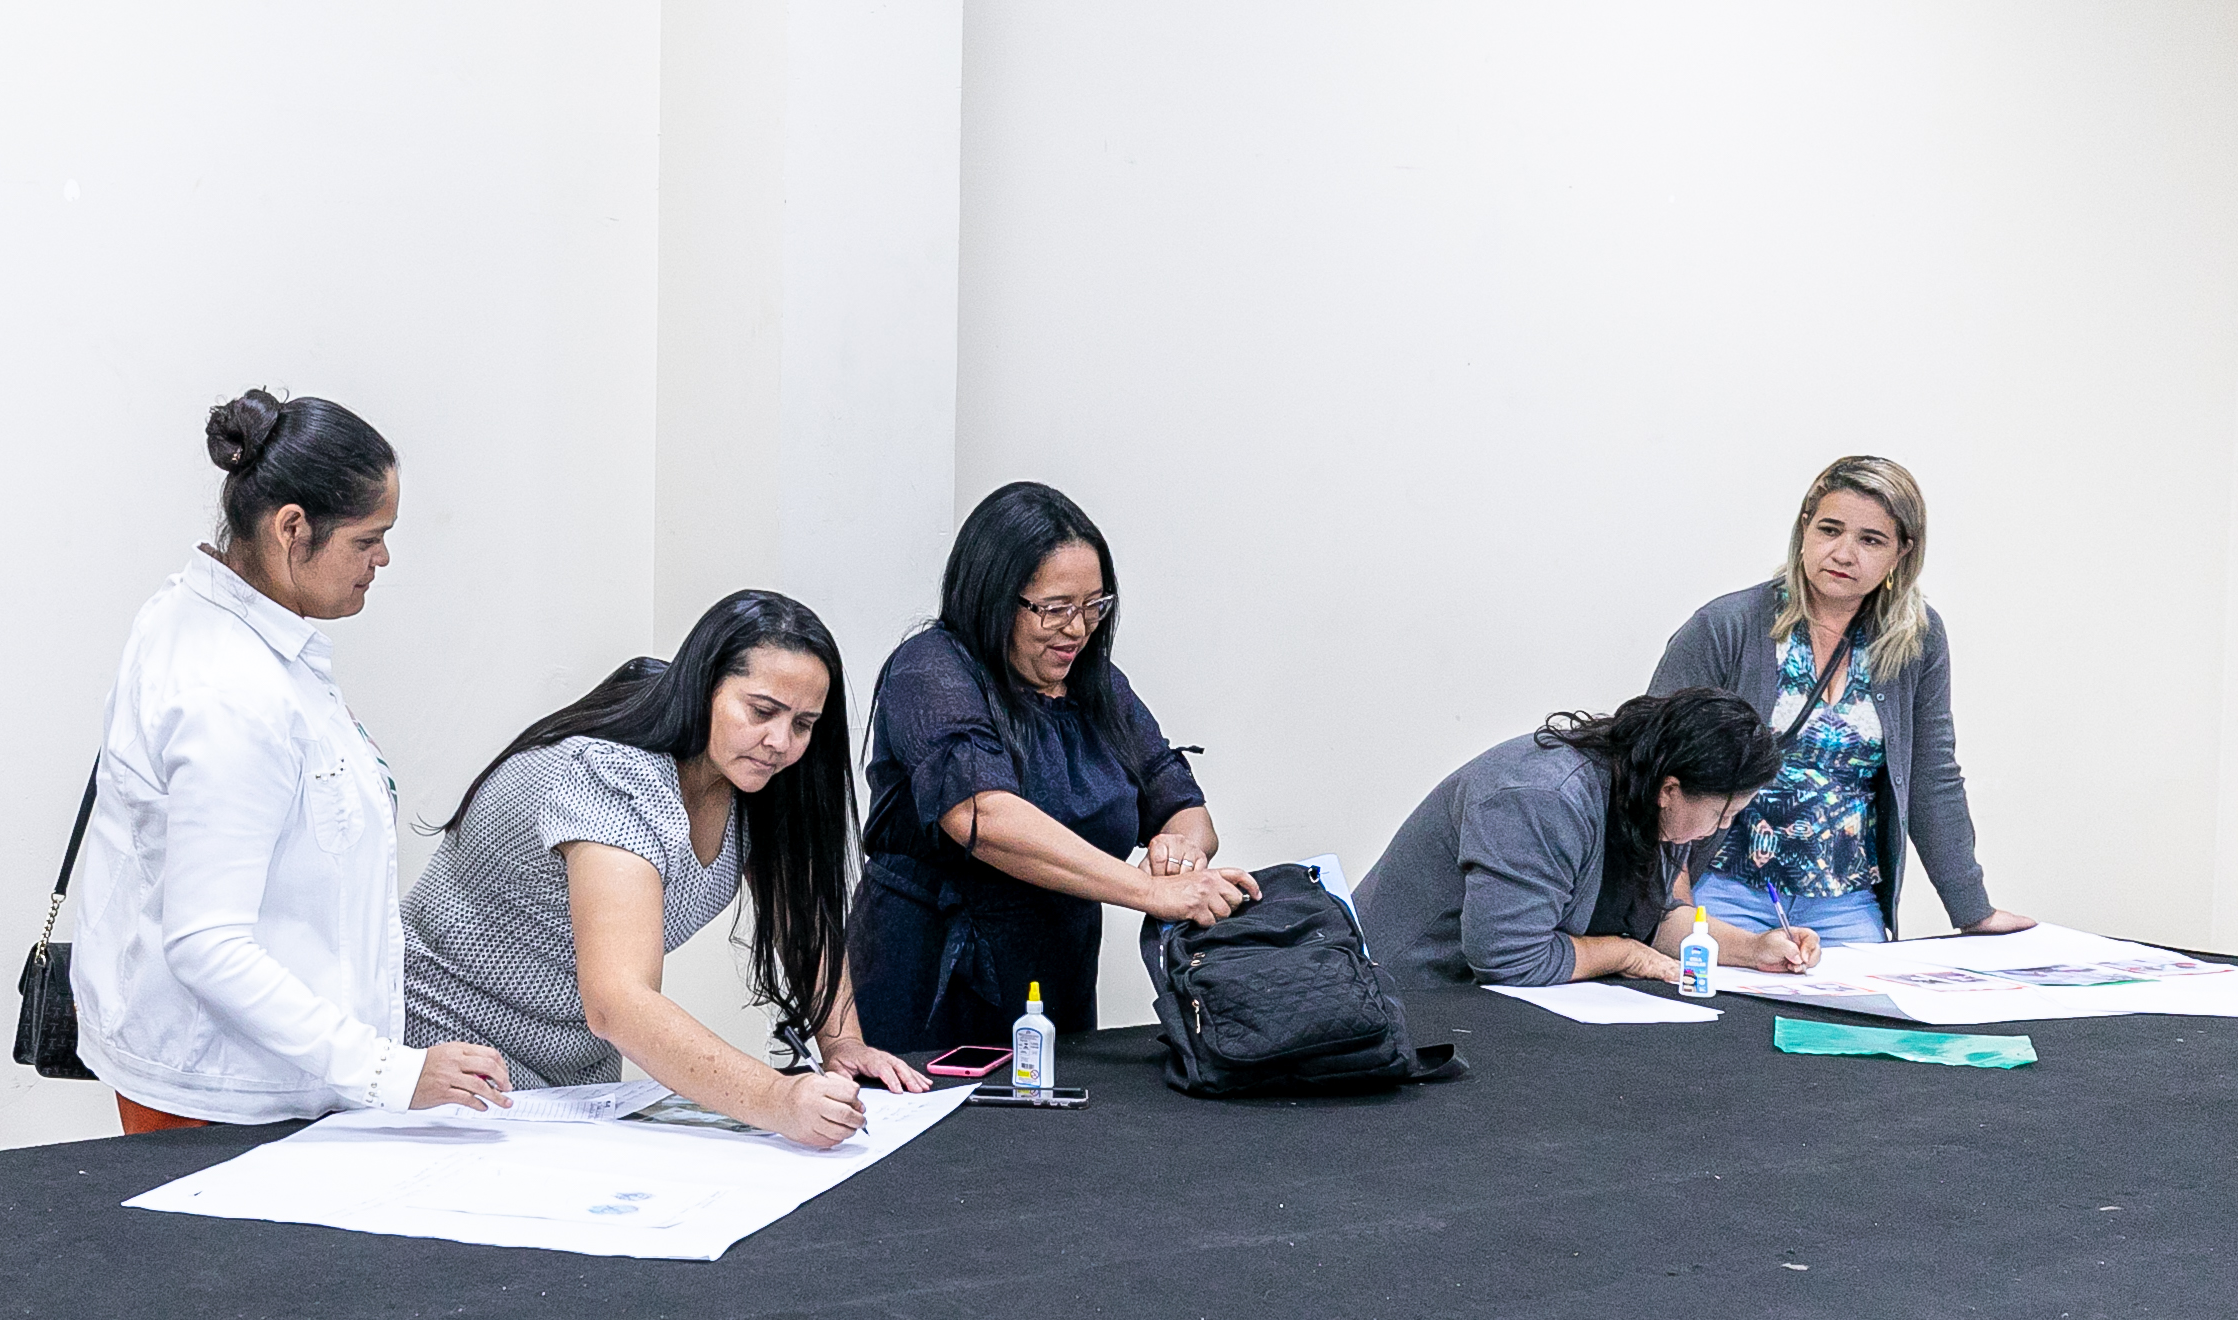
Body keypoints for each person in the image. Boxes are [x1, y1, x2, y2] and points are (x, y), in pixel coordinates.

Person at [70, 389, 512, 1134]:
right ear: (292, 528)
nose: (382, 559)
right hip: (225, 1097)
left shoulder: (212, 621)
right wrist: (390, 1071)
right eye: (368, 539)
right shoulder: (230, 691)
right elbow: (206, 943)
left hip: (264, 1077)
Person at [403, 591, 928, 1150]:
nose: (780, 742)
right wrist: (777, 1098)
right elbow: (618, 1003)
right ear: (704, 687)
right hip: (447, 1060)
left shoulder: (751, 776)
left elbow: (801, 912)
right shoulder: (612, 777)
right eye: (761, 711)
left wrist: (842, 1042)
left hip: (574, 1084)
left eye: (803, 723)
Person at [847, 481, 1259, 1052]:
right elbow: (983, 818)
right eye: (1056, 609)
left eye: (1094, 606)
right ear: (994, 597)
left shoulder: (1098, 686)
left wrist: (1181, 852)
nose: (1078, 629)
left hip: (1056, 980)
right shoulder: (930, 671)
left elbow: (1184, 806)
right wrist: (1150, 892)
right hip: (930, 979)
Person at [1649, 456, 2034, 944]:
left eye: (1871, 540)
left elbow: (1932, 775)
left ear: (1902, 552)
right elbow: (1652, 766)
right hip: (1721, 888)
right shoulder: (1727, 626)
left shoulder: (1917, 638)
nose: (1844, 554)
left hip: (1845, 902)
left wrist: (1972, 910)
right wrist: (1674, 901)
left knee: (1866, 998)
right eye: (1830, 530)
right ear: (1805, 527)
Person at [1354, 689, 1814, 990]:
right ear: (1670, 790)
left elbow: (1653, 922)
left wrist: (1754, 949)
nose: (1717, 830)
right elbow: (1509, 959)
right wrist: (1624, 954)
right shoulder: (1542, 798)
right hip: (1407, 992)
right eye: (1719, 814)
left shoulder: (1654, 796)